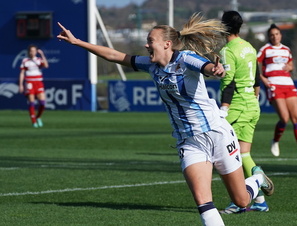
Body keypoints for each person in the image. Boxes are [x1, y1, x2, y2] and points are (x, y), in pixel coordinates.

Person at [57, 13, 274, 226]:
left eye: (150, 41)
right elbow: (115, 55)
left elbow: (206, 67)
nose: (146, 46)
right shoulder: (150, 65)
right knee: (203, 201)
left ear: (167, 44)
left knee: (241, 200)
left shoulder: (186, 58)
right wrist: (77, 42)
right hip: (189, 142)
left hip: (217, 133)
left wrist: (215, 70)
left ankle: (257, 179)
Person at [218, 11, 269, 214]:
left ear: (224, 27)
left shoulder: (227, 50)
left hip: (236, 106)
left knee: (224, 155)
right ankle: (260, 201)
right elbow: (256, 79)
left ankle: (239, 201)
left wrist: (224, 109)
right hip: (252, 104)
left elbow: (228, 83)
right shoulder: (249, 47)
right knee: (244, 153)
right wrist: (254, 101)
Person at [257, 24, 297, 159]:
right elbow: (253, 64)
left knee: (296, 118)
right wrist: (263, 79)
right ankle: (275, 141)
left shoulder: (286, 49)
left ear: (280, 35)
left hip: (288, 84)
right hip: (274, 85)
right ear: (269, 37)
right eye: (272, 34)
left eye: (277, 34)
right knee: (284, 117)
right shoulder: (265, 49)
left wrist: (290, 66)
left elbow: (291, 65)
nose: (274, 36)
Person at [19, 44, 49, 128]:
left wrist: (42, 54)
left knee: (43, 103)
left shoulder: (39, 60)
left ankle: (38, 117)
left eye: (34, 51)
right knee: (31, 102)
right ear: (29, 52)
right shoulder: (25, 61)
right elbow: (22, 73)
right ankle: (33, 121)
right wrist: (21, 84)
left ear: (36, 51)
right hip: (29, 83)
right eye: (31, 51)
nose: (32, 53)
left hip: (38, 82)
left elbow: (46, 66)